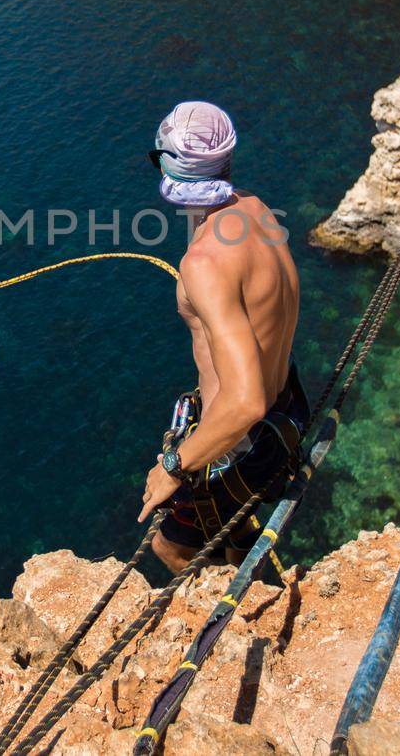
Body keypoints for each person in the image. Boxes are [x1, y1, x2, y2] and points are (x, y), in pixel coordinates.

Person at [135, 101, 307, 572]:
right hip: (286, 412)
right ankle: (253, 574)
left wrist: (173, 466)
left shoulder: (205, 263)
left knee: (169, 548)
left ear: (170, 167)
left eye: (159, 157)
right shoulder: (257, 210)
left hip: (239, 445)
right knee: (233, 539)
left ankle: (236, 626)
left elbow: (245, 401)